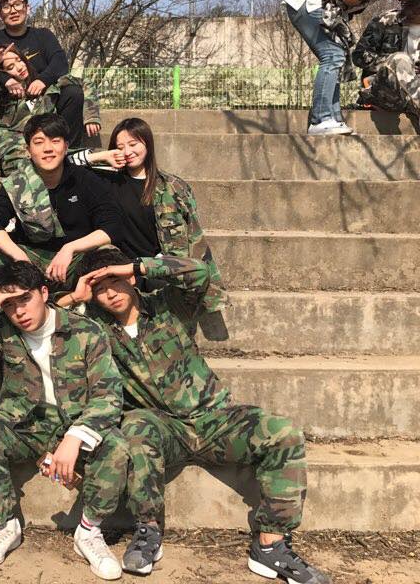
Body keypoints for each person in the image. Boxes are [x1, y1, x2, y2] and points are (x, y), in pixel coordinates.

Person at [59, 248, 330, 584]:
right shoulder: (95, 329)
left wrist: (138, 266)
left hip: (214, 419)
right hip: (165, 428)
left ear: (130, 280)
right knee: (136, 425)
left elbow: (200, 272)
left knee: (283, 433)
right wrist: (76, 296)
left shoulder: (169, 305)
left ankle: (270, 546)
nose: (110, 292)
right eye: (100, 288)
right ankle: (147, 531)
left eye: (114, 281)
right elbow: (49, 321)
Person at [0, 261, 128, 579]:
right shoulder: (1, 333)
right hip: (24, 427)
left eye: (25, 299)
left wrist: (75, 437)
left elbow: (109, 395)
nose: (19, 311)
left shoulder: (85, 331)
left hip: (73, 425)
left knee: (115, 445)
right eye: (9, 305)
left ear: (44, 293)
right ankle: (4, 525)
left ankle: (89, 530)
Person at [98, 117, 225, 322]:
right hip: (121, 276)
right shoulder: (104, 182)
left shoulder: (174, 187)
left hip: (162, 276)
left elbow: (194, 238)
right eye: (120, 147)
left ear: (147, 143)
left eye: (133, 144)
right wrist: (102, 156)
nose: (127, 152)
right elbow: (61, 160)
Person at [0, 114, 124, 289]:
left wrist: (70, 248)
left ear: (66, 146)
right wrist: (20, 257)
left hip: (76, 261)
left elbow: (113, 225)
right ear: (28, 150)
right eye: (39, 142)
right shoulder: (17, 183)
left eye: (55, 141)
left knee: (107, 254)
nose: (48, 149)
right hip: (30, 261)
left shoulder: (85, 179)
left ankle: (84, 302)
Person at [282, 0, 416, 135]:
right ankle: (320, 119)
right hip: (308, 1)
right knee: (333, 56)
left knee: (338, 56)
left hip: (322, 8)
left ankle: (334, 118)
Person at [0, 0, 96, 155]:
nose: (13, 11)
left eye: (18, 4)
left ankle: (69, 152)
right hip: (6, 106)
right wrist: (6, 79)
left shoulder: (43, 35)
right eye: (6, 7)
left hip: (42, 100)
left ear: (27, 7)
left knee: (73, 92)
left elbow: (60, 63)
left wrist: (42, 80)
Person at [0, 42, 98, 175]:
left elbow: (85, 83)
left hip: (46, 142)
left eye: (19, 60)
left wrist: (91, 116)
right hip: (16, 150)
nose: (19, 67)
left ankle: (72, 157)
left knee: (73, 91)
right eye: (10, 67)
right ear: (3, 72)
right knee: (27, 165)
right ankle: (73, 160)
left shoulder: (44, 83)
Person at [352, 0, 420, 116]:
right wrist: (392, 64)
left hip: (413, 91)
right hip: (385, 90)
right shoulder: (385, 20)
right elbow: (359, 55)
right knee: (401, 59)